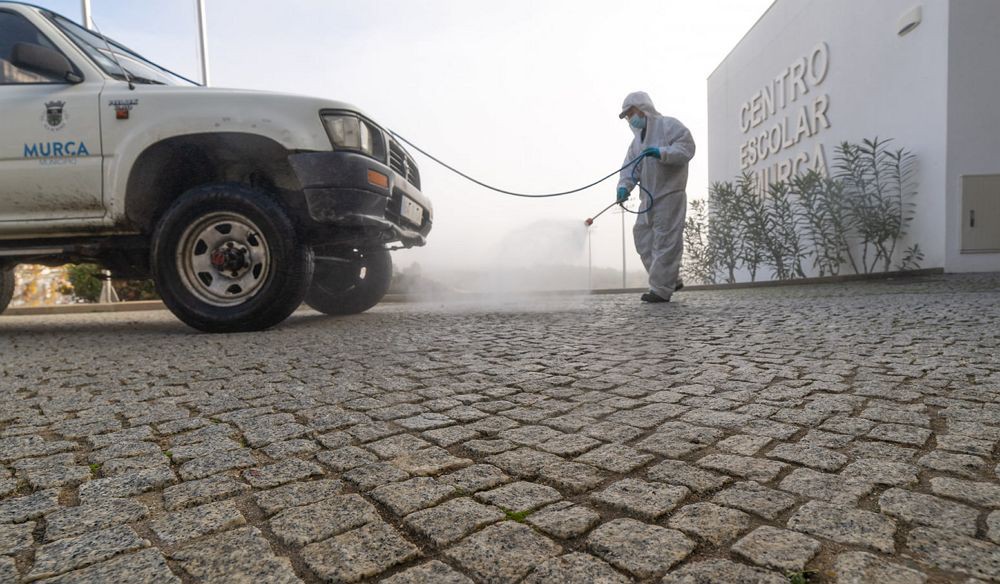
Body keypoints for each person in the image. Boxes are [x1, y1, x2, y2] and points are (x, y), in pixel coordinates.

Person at [616, 91, 695, 303]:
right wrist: (624, 187)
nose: (630, 119)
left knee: (665, 241)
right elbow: (629, 169)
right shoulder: (636, 144)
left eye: (631, 113)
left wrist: (662, 152)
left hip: (670, 194)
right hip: (648, 198)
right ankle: (671, 278)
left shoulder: (669, 126)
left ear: (643, 108)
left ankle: (661, 290)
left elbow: (687, 148)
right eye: (627, 116)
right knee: (642, 237)